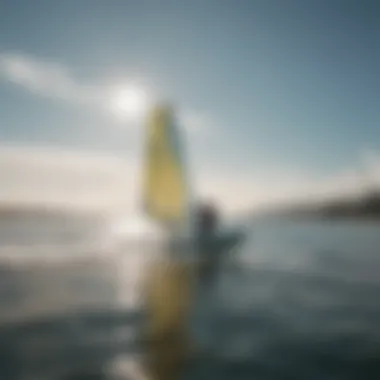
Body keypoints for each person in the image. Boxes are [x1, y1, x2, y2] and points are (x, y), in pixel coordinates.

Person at [195, 201, 245, 284]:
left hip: (209, 273)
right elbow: (236, 237)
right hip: (204, 273)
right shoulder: (209, 240)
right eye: (210, 218)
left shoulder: (210, 239)